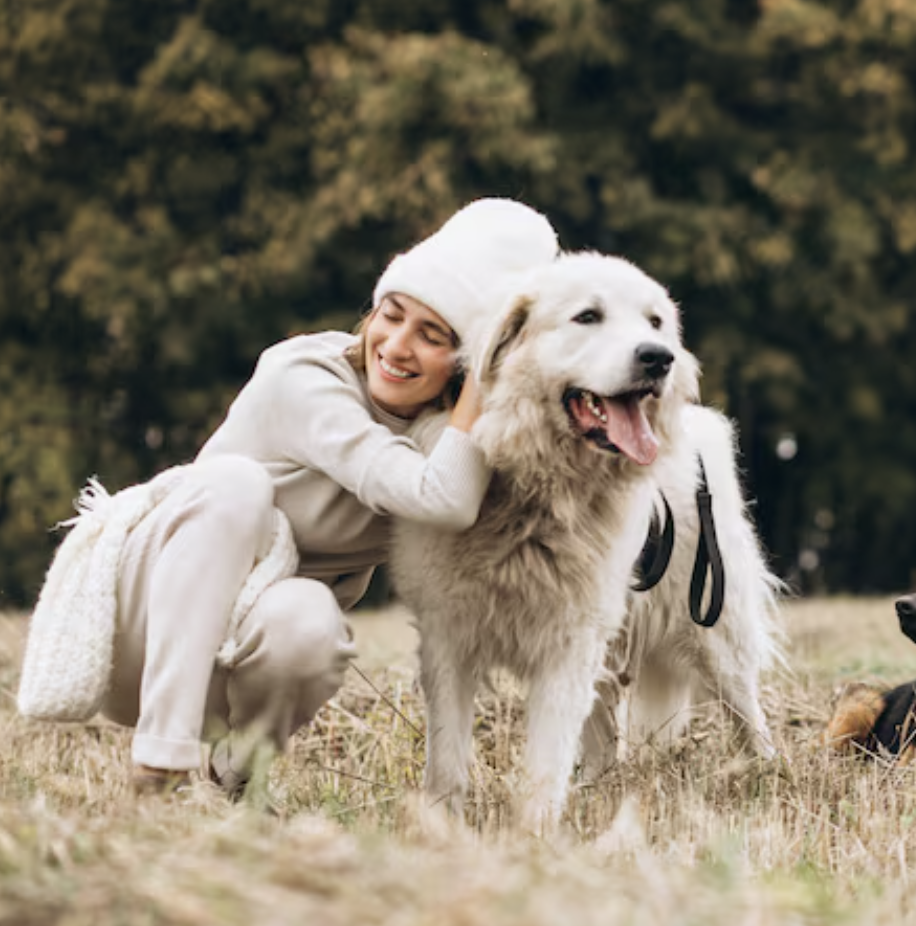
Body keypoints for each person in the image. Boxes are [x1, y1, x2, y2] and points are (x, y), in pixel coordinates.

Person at [59, 198, 558, 797]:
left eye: (431, 336)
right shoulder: (302, 375)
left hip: (240, 660)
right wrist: (483, 376)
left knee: (312, 622)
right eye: (390, 315)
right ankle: (159, 767)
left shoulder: (452, 434)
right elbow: (444, 500)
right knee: (236, 485)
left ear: (465, 358)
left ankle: (234, 779)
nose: (397, 346)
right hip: (142, 632)